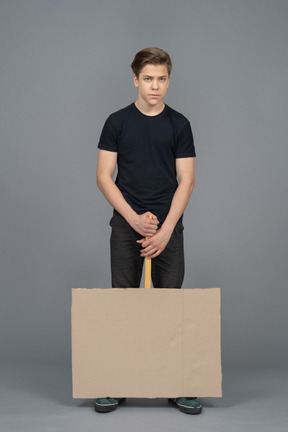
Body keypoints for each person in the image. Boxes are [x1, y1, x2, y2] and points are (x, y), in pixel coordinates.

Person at [95, 47, 201, 415]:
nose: (155, 86)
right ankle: (116, 381)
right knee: (122, 302)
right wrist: (134, 220)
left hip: (169, 227)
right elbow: (103, 177)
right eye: (148, 79)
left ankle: (176, 384)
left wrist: (166, 229)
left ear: (168, 80)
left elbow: (186, 181)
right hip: (126, 225)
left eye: (162, 79)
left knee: (170, 303)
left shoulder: (180, 124)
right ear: (135, 79)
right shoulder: (116, 122)